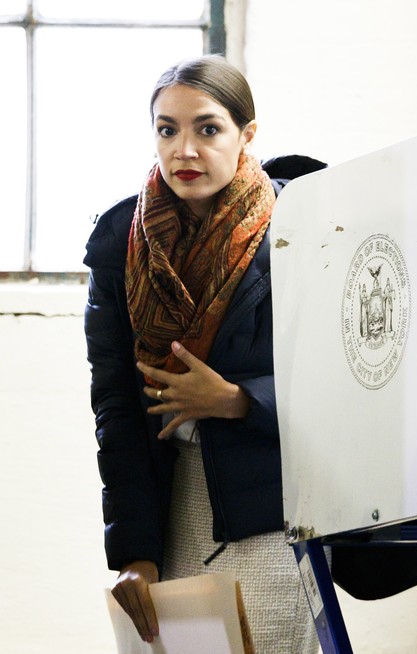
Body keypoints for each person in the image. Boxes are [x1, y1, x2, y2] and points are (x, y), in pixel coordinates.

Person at [84, 55, 327, 652]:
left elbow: (351, 373)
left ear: (247, 134)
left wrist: (240, 400)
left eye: (207, 128)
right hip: (168, 508)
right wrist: (135, 554)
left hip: (272, 512)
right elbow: (116, 405)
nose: (184, 150)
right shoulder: (120, 239)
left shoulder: (306, 224)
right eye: (167, 130)